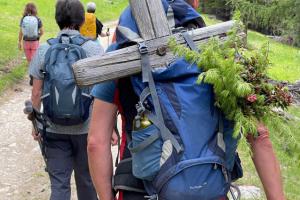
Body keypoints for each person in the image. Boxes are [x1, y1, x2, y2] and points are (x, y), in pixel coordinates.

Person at [87, 1, 286, 200]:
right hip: (209, 188)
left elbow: (96, 142)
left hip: (141, 192)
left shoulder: (121, 55)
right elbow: (259, 135)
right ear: (193, 4)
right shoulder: (218, 48)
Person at [29, 0, 105, 199]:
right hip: (86, 129)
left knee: (59, 186)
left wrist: (36, 125)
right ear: (81, 20)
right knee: (87, 182)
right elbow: (104, 92)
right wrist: (110, 127)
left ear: (57, 19)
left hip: (53, 129)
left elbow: (36, 93)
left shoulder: (45, 49)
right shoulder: (93, 50)